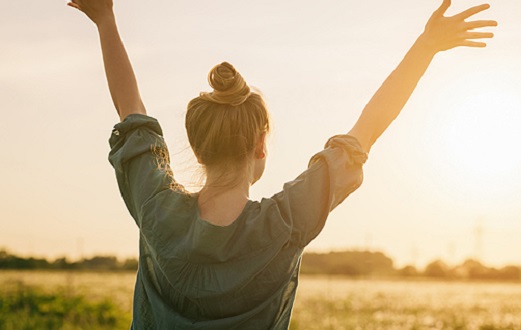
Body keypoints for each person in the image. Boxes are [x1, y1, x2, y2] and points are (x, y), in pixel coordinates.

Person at [68, 0, 497, 328]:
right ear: (260, 147)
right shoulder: (286, 221)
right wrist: (425, 48)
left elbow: (131, 111)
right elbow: (367, 129)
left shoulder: (156, 210)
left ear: (197, 149)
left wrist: (104, 18)